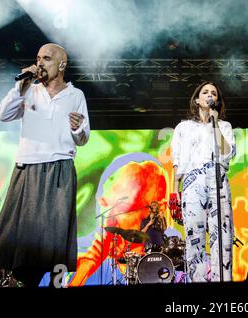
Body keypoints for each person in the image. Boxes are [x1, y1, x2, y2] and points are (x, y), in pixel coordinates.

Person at [0, 43, 90, 287]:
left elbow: (83, 138)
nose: (40, 62)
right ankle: (23, 282)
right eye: (38, 58)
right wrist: (20, 87)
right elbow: (3, 114)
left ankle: (56, 283)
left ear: (61, 64)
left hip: (59, 169)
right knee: (23, 238)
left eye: (46, 58)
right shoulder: (29, 91)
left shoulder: (75, 95)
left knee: (56, 237)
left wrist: (77, 127)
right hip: (28, 167)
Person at [68, 153, 168, 286]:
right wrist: (87, 265)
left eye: (124, 208)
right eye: (105, 204)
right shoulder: (77, 259)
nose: (109, 219)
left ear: (158, 208)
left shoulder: (168, 265)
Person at [170, 81, 236, 282]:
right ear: (197, 100)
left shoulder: (224, 126)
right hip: (192, 185)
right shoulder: (183, 127)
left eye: (214, 93)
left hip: (219, 182)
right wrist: (174, 191)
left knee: (223, 238)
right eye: (205, 92)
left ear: (217, 100)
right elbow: (178, 161)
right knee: (194, 240)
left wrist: (215, 123)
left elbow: (227, 153)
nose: (210, 95)